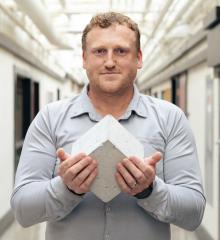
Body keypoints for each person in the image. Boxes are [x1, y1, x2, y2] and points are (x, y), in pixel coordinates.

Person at [11, 12, 205, 240]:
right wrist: (66, 188)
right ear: (84, 59)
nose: (110, 62)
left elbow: (193, 212)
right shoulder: (50, 119)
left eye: (121, 51)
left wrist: (149, 190)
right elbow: (22, 210)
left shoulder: (171, 119)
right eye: (99, 51)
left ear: (139, 58)